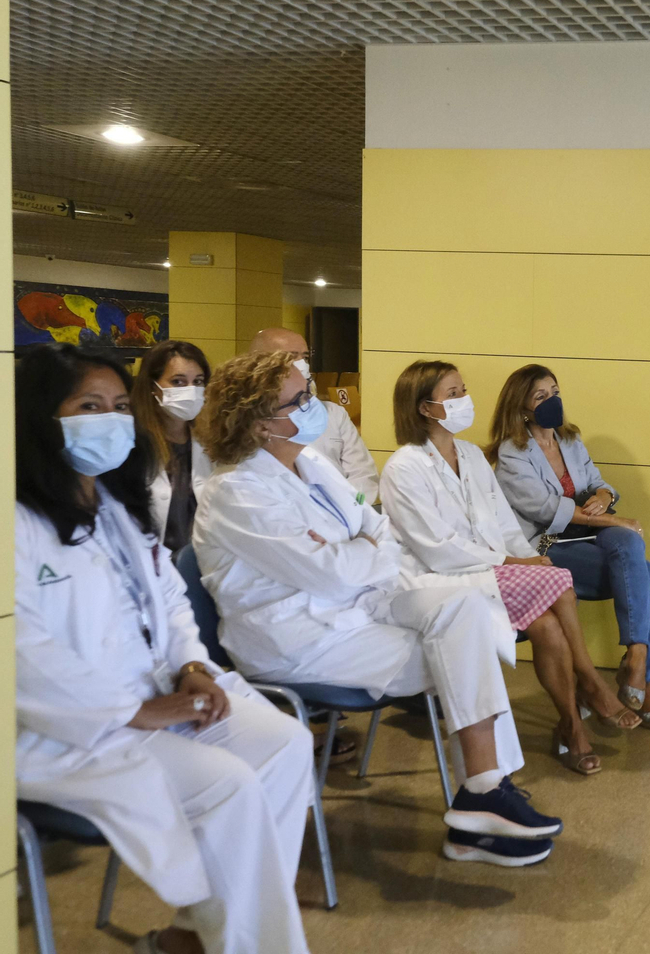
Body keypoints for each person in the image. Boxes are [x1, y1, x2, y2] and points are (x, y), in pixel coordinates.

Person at [191, 350, 561, 867]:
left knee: (470, 610)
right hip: (299, 640)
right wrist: (355, 550)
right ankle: (483, 801)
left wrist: (352, 547)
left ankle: (485, 793)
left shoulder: (310, 463)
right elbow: (332, 571)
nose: (313, 404)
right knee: (462, 648)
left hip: (359, 606)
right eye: (298, 400)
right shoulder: (236, 494)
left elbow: (377, 534)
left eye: (309, 390)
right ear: (258, 423)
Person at [14, 343, 315, 954]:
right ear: (41, 418)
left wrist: (192, 665)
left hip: (162, 690)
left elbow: (172, 602)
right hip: (72, 727)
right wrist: (135, 712)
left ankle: (199, 933)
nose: (110, 418)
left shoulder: (117, 508)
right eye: (88, 405)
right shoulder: (16, 523)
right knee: (228, 786)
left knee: (286, 744)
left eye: (120, 405)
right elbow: (21, 651)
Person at [380, 360, 642, 775]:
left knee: (548, 625)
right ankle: (590, 683)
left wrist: (526, 556)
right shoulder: (404, 468)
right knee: (557, 581)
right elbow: (436, 548)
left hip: (495, 568)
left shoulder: (469, 455)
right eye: (453, 394)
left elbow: (501, 520)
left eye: (462, 390)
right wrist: (515, 561)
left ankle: (573, 727)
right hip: (444, 578)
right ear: (424, 408)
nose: (464, 400)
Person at [489, 364, 650, 729]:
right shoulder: (512, 453)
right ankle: (644, 681)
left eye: (554, 391)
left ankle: (635, 656)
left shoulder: (569, 439)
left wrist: (604, 497)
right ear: (522, 407)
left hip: (587, 534)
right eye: (540, 396)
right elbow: (546, 509)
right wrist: (614, 518)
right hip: (546, 545)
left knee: (630, 545)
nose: (552, 401)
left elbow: (601, 483)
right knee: (644, 574)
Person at [248, 327, 379, 504]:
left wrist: (351, 510)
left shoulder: (332, 413)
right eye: (291, 357)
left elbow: (363, 474)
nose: (302, 364)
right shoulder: (247, 420)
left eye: (305, 357)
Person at [130, 339, 215, 551]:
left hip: (202, 564)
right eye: (178, 382)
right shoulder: (132, 445)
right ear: (153, 387)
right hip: (153, 564)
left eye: (198, 382)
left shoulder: (211, 443)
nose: (190, 390)